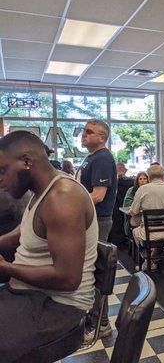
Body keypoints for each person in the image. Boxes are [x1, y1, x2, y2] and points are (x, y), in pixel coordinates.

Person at [0, 131, 98, 361]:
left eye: (2, 171)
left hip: (59, 306)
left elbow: (67, 279)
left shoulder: (62, 197)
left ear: (26, 161)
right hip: (30, 295)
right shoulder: (40, 192)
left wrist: (5, 268)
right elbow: (23, 232)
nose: (0, 179)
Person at [76, 119, 117, 343]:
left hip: (98, 221)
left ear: (102, 137)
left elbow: (98, 195)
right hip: (92, 220)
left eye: (89, 132)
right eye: (83, 131)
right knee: (91, 272)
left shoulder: (102, 158)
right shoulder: (91, 157)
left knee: (96, 273)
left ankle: (100, 323)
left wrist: (71, 204)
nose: (84, 135)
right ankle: (96, 320)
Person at [130, 164, 164, 245]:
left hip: (149, 233)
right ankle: (158, 250)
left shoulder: (142, 189)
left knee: (134, 229)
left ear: (149, 177)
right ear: (163, 176)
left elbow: (133, 211)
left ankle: (149, 254)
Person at [110, 163, 134, 246]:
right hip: (128, 207)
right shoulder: (132, 181)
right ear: (126, 170)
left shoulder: (112, 181)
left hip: (115, 207)